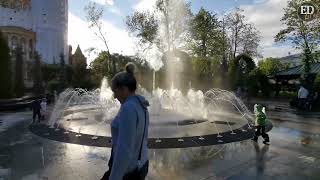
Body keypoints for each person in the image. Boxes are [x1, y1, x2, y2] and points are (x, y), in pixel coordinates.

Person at [101, 63, 149, 180]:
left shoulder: (129, 108)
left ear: (124, 89)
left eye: (115, 91)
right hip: (141, 163)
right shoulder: (141, 104)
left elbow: (124, 149)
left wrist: (115, 177)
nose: (114, 96)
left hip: (128, 170)